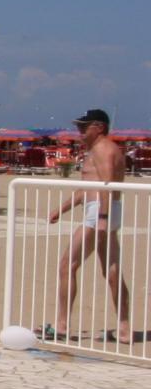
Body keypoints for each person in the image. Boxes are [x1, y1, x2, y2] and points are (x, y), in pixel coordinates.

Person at [48, 108, 133, 344]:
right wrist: (61, 209)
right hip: (106, 210)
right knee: (111, 270)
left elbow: (106, 184)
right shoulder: (105, 149)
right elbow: (88, 187)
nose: (80, 131)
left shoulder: (102, 149)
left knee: (67, 265)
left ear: (100, 127)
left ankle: (62, 324)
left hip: (99, 212)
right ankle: (124, 327)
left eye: (84, 126)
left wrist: (102, 218)